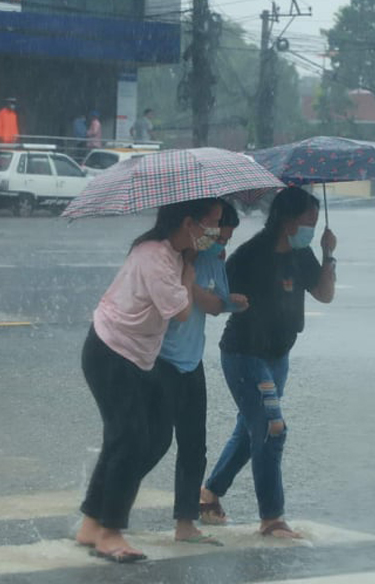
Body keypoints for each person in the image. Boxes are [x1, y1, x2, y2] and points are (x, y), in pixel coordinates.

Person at [75, 198, 224, 564]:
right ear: (189, 223)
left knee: (154, 438)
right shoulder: (155, 256)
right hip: (111, 351)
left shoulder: (173, 254)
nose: (215, 232)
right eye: (211, 223)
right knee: (130, 438)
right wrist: (188, 276)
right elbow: (182, 312)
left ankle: (92, 521)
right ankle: (110, 532)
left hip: (136, 357)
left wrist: (191, 264)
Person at [199, 186, 337, 539]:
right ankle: (272, 518)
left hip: (278, 356)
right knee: (272, 428)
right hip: (245, 355)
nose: (311, 228)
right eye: (308, 222)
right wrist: (230, 300)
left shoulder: (302, 254)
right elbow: (216, 295)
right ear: (287, 221)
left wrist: (328, 254)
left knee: (252, 429)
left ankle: (209, 494)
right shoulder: (251, 255)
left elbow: (324, 294)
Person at [156, 200, 248, 546]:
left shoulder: (212, 258)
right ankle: (107, 513)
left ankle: (186, 523)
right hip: (158, 359)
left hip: (190, 361)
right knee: (150, 443)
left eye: (225, 239)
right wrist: (190, 280)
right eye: (217, 234)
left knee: (194, 445)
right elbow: (186, 302)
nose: (220, 243)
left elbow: (215, 304)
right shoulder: (168, 256)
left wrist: (226, 300)